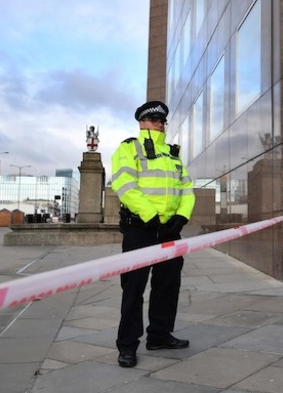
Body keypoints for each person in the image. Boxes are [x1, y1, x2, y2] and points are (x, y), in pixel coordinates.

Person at [111, 100, 195, 368]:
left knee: (168, 286)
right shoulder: (129, 148)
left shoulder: (173, 155)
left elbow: (187, 188)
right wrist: (152, 217)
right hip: (141, 230)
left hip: (169, 231)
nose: (159, 124)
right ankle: (127, 345)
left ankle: (159, 335)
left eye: (162, 120)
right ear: (141, 123)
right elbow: (125, 185)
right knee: (133, 289)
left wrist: (181, 216)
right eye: (154, 119)